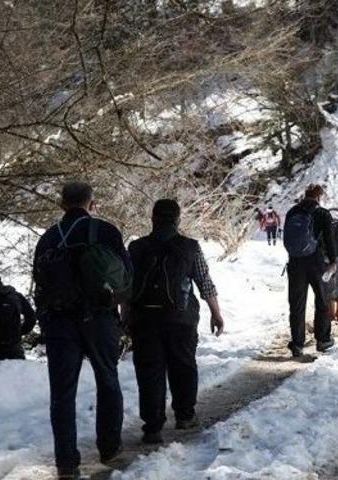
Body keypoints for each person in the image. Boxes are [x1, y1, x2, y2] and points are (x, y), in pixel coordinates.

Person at [32, 181, 132, 479]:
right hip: (100, 319)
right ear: (92, 203)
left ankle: (66, 463)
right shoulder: (107, 231)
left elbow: (39, 281)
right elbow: (126, 277)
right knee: (108, 380)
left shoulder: (49, 237)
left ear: (62, 204)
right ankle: (110, 448)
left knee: (62, 393)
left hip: (60, 323)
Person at [125, 199, 225, 445]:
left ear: (153, 219)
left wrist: (125, 318)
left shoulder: (136, 248)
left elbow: (126, 286)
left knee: (149, 372)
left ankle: (152, 427)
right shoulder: (190, 247)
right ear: (178, 220)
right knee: (183, 366)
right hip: (181, 319)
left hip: (144, 319)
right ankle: (185, 416)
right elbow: (205, 282)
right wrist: (216, 313)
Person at [283, 184, 337, 357]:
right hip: (317, 262)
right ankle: (323, 340)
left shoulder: (292, 212)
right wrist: (333, 261)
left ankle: (297, 343)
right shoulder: (322, 213)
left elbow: (288, 238)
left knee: (297, 303)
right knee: (322, 300)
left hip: (295, 262)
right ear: (319, 197)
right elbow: (329, 240)